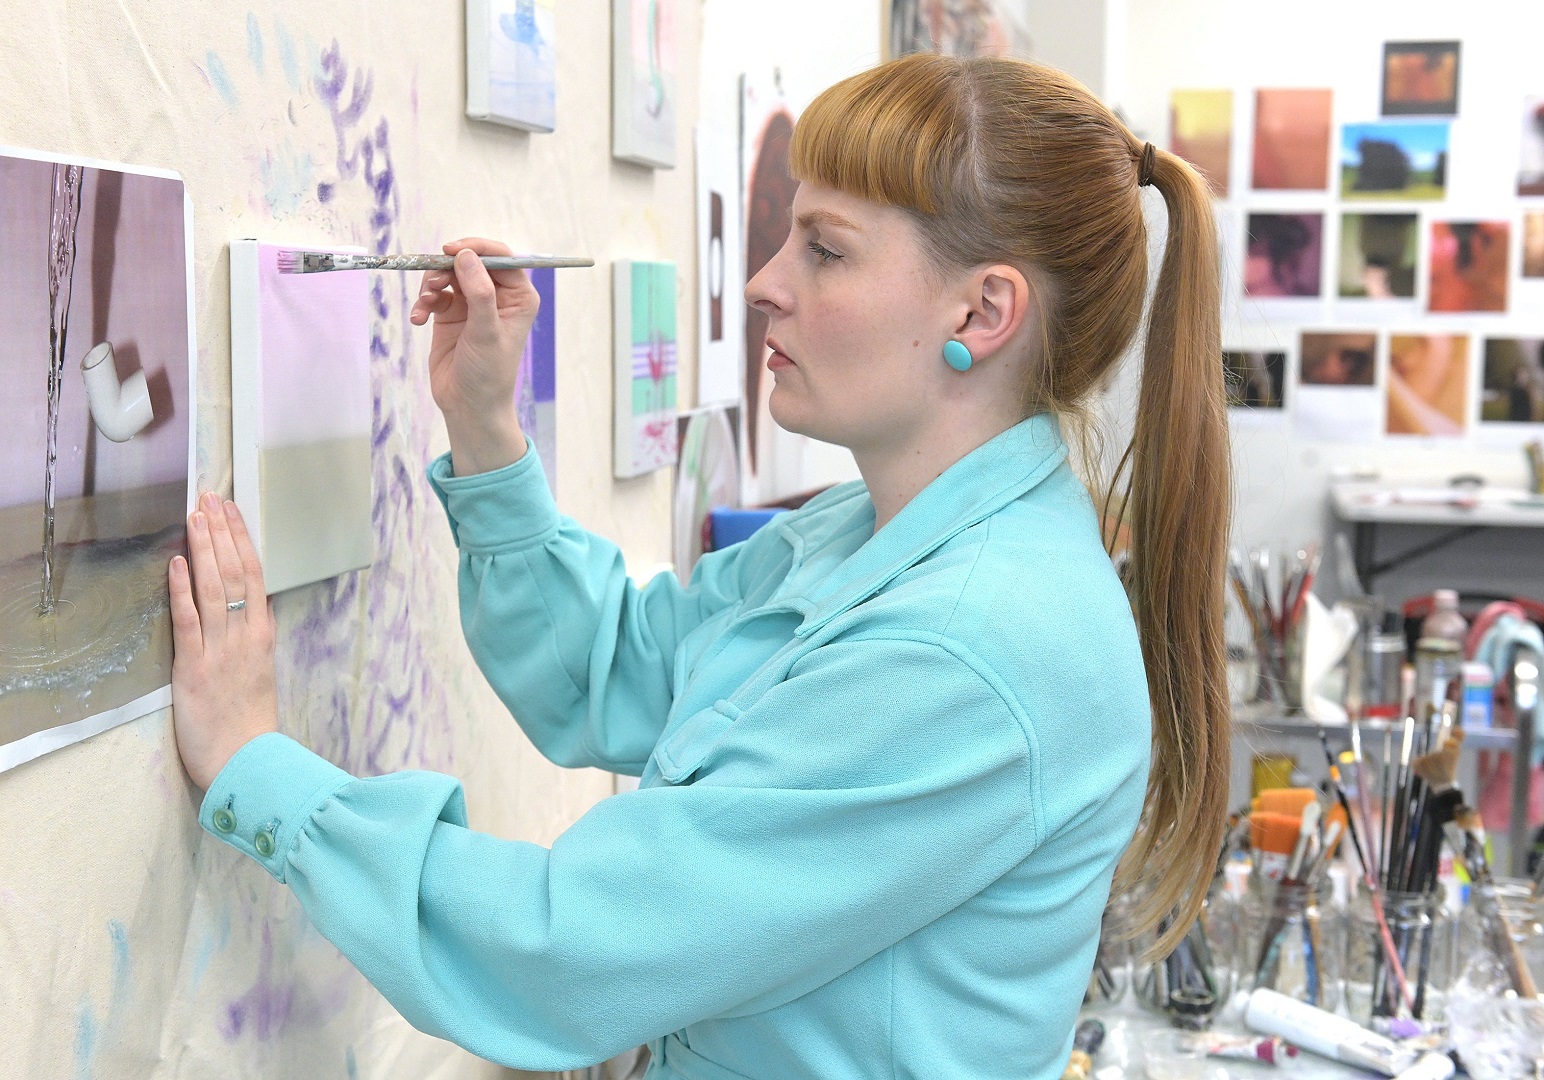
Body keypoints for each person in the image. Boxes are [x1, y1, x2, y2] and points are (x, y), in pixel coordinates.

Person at [169, 53, 1230, 1079]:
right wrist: (485, 427)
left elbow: (567, 952)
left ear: (979, 313)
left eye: (824, 249)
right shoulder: (869, 533)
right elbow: (613, 672)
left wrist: (257, 766)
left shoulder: (966, 644)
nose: (764, 283)